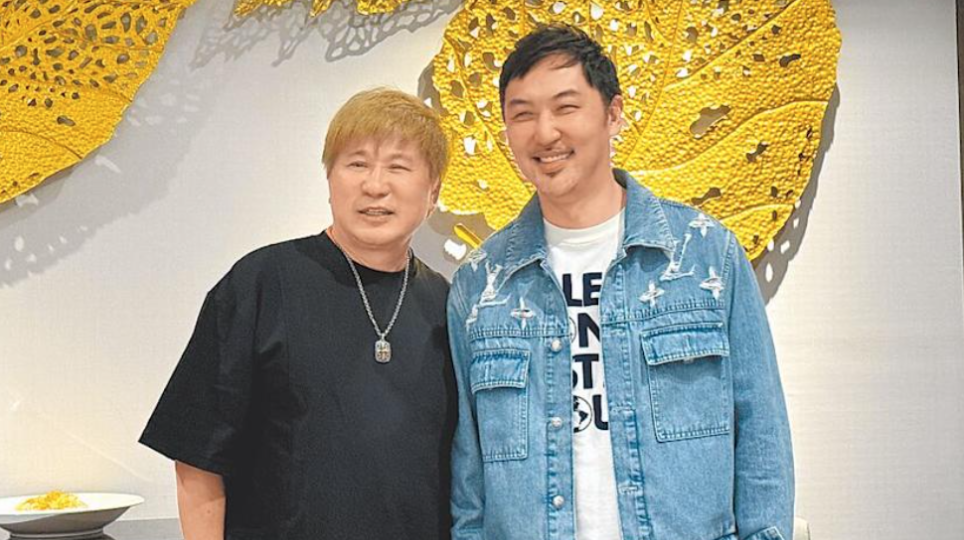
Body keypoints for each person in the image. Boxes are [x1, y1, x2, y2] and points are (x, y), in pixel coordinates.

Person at [446, 25, 794, 540]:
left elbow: (761, 431)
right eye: (522, 114)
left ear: (613, 114)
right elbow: (469, 481)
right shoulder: (481, 285)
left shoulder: (705, 255)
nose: (544, 132)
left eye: (566, 107)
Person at [140, 88, 456, 540]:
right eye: (357, 163)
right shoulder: (261, 283)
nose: (375, 185)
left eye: (398, 167)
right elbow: (197, 458)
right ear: (330, 180)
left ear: (433, 192)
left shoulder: (447, 305)